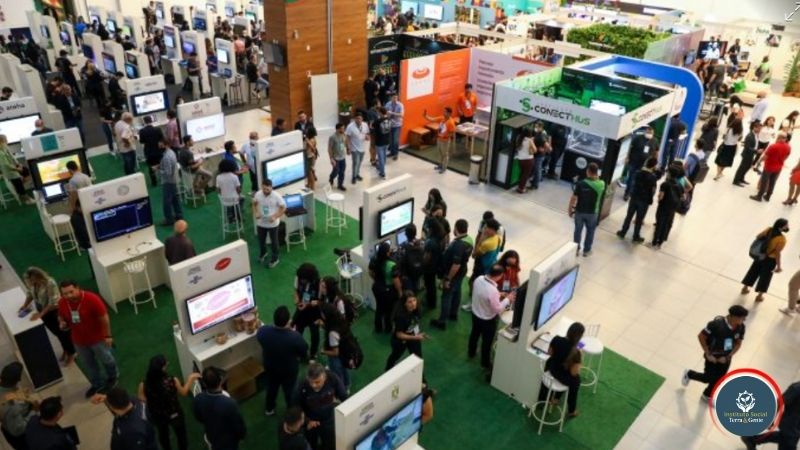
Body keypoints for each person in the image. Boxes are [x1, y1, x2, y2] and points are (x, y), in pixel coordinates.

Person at [57, 280, 117, 398]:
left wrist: (108, 336)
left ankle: (113, 377)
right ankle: (97, 383)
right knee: (89, 363)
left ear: (78, 288)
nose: (68, 296)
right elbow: (60, 315)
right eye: (65, 293)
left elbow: (104, 318)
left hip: (97, 339)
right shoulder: (62, 302)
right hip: (79, 340)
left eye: (71, 292)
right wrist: (62, 322)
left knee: (106, 359)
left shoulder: (92, 299)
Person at [682, 305, 748, 401]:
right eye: (742, 318)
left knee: (719, 379)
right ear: (734, 316)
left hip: (726, 357)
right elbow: (701, 336)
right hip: (712, 356)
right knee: (707, 378)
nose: (744, 320)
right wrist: (708, 353)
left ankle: (707, 395)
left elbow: (738, 343)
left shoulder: (741, 327)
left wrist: (728, 357)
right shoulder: (716, 324)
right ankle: (689, 374)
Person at [138, 355, 198, 450]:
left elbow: (142, 398)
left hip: (158, 415)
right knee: (181, 435)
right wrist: (191, 378)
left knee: (163, 435)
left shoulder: (143, 384)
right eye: (166, 365)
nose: (168, 364)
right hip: (174, 412)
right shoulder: (172, 380)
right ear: (162, 369)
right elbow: (183, 392)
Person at [257, 306, 308, 415]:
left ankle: (269, 409)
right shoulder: (295, 337)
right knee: (290, 391)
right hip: (288, 371)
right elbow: (304, 350)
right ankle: (291, 411)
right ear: (288, 321)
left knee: (271, 388)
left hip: (271, 368)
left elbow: (260, 336)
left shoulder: (263, 331)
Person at [18, 267, 75, 365]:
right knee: (57, 334)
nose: (28, 282)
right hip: (44, 312)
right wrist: (24, 305)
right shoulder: (33, 284)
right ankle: (66, 350)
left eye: (29, 280)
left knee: (63, 334)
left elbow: (53, 302)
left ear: (36, 277)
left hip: (54, 312)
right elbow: (30, 294)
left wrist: (40, 314)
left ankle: (72, 353)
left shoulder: (50, 283)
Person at [469, 264, 515, 370]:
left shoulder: (479, 279)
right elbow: (498, 309)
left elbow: (482, 293)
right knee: (487, 342)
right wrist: (507, 299)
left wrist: (499, 294)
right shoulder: (492, 290)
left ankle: (471, 352)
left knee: (474, 334)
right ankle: (485, 363)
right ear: (499, 275)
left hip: (475, 314)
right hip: (487, 320)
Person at [292, 362, 347, 450]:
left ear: (324, 377)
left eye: (317, 382)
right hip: (311, 422)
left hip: (328, 419)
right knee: (311, 444)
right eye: (311, 382)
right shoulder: (302, 385)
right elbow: (295, 407)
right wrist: (307, 421)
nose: (314, 385)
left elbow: (344, 396)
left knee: (330, 444)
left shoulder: (332, 378)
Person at [430, 219, 472, 330]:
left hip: (453, 274)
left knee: (446, 296)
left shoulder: (458, 245)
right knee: (457, 292)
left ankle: (442, 321)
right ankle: (453, 314)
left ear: (456, 228)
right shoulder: (469, 240)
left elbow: (456, 265)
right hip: (462, 271)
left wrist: (448, 278)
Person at [537, 322, 585, 418]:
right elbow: (574, 372)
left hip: (552, 368)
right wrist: (580, 360)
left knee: (570, 378)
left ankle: (555, 398)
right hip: (561, 375)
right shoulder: (576, 352)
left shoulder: (556, 339)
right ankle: (571, 410)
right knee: (576, 381)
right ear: (579, 337)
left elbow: (550, 353)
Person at [193, 367, 247, 450]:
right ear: (220, 381)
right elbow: (238, 426)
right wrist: (242, 436)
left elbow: (198, 417)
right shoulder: (229, 403)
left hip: (211, 436)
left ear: (204, 383)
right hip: (228, 442)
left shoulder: (198, 399)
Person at [741, 380, 800, 450]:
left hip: (796, 426)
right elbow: (780, 402)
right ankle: (752, 439)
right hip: (791, 423)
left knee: (784, 438)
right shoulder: (796, 388)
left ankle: (752, 439)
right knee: (788, 442)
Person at [742, 218, 788, 302]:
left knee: (753, 271)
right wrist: (779, 266)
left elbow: (758, 236)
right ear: (781, 227)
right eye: (786, 225)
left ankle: (745, 288)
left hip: (760, 255)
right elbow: (777, 253)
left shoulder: (769, 229)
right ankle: (759, 296)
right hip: (770, 260)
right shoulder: (782, 239)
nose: (788, 226)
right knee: (765, 277)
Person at [617, 157, 659, 243]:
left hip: (634, 197)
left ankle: (623, 232)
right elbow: (653, 190)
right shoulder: (653, 177)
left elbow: (633, 184)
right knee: (639, 219)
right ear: (654, 166)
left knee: (629, 216)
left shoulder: (638, 173)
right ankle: (636, 236)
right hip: (644, 200)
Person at [569, 163, 605, 257]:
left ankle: (576, 250)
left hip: (580, 211)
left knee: (577, 231)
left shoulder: (580, 183)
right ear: (597, 172)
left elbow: (573, 198)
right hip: (593, 213)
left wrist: (570, 209)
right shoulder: (601, 184)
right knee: (590, 231)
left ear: (588, 171)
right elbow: (598, 180)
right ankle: (586, 250)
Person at [386, 292, 426, 370]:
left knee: (418, 358)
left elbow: (415, 322)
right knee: (395, 355)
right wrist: (416, 337)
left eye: (414, 300)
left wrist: (418, 333)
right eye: (410, 302)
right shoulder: (400, 316)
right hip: (400, 341)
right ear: (405, 303)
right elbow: (399, 334)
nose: (413, 304)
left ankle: (421, 376)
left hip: (413, 336)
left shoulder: (416, 309)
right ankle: (388, 369)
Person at [0, 362, 35, 450]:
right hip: (19, 436)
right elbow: (19, 430)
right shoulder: (13, 405)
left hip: (6, 426)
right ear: (18, 379)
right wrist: (33, 411)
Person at [252, 178, 286, 268]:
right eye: (263, 189)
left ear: (271, 187)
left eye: (267, 189)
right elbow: (254, 204)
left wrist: (275, 216)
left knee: (274, 242)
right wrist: (256, 212)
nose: (265, 191)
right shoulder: (258, 194)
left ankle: (275, 258)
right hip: (261, 222)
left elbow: (283, 208)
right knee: (261, 241)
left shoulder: (277, 196)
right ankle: (263, 253)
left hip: (272, 224)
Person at [369, 241, 401, 333]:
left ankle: (378, 328)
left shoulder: (373, 259)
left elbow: (370, 272)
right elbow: (396, 281)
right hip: (388, 291)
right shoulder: (392, 264)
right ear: (387, 253)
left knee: (379, 308)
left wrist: (376, 280)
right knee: (388, 311)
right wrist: (400, 292)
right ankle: (388, 328)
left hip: (376, 288)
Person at [319, 304, 352, 391]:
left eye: (322, 313)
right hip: (345, 352)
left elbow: (335, 352)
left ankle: (342, 390)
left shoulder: (332, 333)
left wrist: (323, 351)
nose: (321, 314)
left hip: (336, 358)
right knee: (345, 369)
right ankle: (347, 385)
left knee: (338, 375)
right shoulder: (341, 321)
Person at [751, 132, 791, 202]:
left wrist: (759, 161)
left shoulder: (773, 146)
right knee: (772, 182)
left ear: (779, 137)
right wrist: (781, 161)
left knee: (764, 181)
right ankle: (768, 196)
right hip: (778, 167)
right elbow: (787, 156)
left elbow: (765, 156)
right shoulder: (788, 147)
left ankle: (759, 196)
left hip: (769, 167)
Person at [292, 263, 322, 359]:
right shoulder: (298, 277)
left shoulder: (319, 283)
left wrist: (308, 304)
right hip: (301, 308)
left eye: (303, 279)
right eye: (300, 278)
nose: (301, 281)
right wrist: (297, 299)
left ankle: (313, 354)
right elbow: (296, 290)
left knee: (315, 334)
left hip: (314, 312)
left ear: (310, 278)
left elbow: (320, 301)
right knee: (298, 331)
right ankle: (299, 351)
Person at [651, 166, 684, 249]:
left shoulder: (665, 184)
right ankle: (660, 243)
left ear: (669, 174)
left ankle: (654, 242)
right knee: (666, 225)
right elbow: (682, 197)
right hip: (672, 208)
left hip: (663, 207)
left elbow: (661, 196)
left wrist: (659, 199)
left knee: (659, 224)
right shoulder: (680, 185)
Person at [624, 126, 658, 200]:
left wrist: (655, 162)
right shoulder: (638, 138)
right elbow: (630, 147)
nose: (649, 134)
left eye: (651, 133)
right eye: (648, 132)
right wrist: (627, 157)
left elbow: (656, 151)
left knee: (639, 180)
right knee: (631, 178)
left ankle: (633, 193)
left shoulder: (655, 141)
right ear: (645, 132)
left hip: (645, 164)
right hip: (634, 161)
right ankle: (627, 193)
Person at [0, 135, 34, 205]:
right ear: (1, 142)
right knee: (17, 180)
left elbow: (12, 157)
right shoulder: (0, 153)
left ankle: (19, 187)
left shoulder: (5, 148)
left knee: (26, 170)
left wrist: (19, 164)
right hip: (9, 171)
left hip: (13, 167)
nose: (7, 141)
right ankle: (26, 199)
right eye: (5, 140)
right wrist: (17, 169)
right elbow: (7, 165)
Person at [423, 107, 456, 174]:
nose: (444, 113)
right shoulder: (442, 118)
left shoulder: (451, 122)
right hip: (439, 139)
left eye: (445, 112)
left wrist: (445, 136)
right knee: (440, 154)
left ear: (449, 113)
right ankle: (440, 165)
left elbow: (452, 133)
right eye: (444, 111)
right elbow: (432, 119)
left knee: (445, 155)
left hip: (445, 141)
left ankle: (444, 168)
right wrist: (425, 116)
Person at [159, 140, 183, 225]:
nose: (160, 147)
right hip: (174, 179)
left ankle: (169, 219)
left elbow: (168, 173)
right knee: (175, 199)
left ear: (166, 145)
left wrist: (159, 170)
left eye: (161, 146)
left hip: (168, 182)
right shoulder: (172, 152)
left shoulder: (166, 157)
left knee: (167, 202)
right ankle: (179, 215)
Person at [733, 121, 762, 186]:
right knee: (742, 168)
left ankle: (741, 179)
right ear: (754, 127)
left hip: (751, 154)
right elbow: (747, 147)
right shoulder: (749, 136)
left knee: (747, 167)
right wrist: (756, 151)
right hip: (747, 154)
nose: (760, 130)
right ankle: (736, 180)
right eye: (759, 128)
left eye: (760, 129)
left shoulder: (756, 135)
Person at [139, 116, 165, 186]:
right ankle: (163, 179)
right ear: (151, 121)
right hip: (158, 150)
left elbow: (141, 141)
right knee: (161, 164)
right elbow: (162, 138)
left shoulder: (142, 131)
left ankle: (154, 182)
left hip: (148, 151)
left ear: (144, 122)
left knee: (151, 167)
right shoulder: (158, 129)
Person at [345, 114, 369, 184]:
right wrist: (348, 148)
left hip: (362, 147)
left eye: (360, 118)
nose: (359, 120)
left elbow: (367, 133)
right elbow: (347, 138)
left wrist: (367, 137)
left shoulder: (365, 125)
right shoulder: (350, 126)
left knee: (360, 162)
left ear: (362, 119)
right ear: (354, 119)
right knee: (355, 163)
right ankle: (354, 177)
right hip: (354, 148)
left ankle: (357, 174)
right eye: (357, 118)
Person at [217, 158, 243, 224]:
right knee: (242, 199)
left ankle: (230, 216)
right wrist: (239, 194)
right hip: (234, 199)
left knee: (228, 201)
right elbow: (238, 189)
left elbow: (218, 190)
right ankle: (237, 216)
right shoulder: (234, 177)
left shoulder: (218, 177)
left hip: (224, 200)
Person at [529, 121, 551, 189]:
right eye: (535, 127)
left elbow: (548, 147)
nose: (535, 128)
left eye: (537, 127)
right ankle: (534, 181)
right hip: (537, 155)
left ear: (541, 127)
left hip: (539, 156)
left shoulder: (541, 136)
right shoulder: (539, 134)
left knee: (537, 170)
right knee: (536, 170)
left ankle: (535, 185)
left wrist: (544, 150)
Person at [372, 107, 392, 179]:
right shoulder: (389, 119)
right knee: (384, 156)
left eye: (378, 112)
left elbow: (372, 126)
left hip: (379, 142)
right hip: (387, 141)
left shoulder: (378, 121)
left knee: (381, 158)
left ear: (380, 113)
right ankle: (380, 167)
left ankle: (382, 173)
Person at [327, 123, 348, 191]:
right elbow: (329, 148)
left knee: (342, 172)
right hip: (335, 158)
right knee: (336, 171)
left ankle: (340, 185)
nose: (343, 130)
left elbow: (345, 142)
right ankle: (331, 177)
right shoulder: (332, 137)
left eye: (344, 128)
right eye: (342, 128)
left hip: (343, 157)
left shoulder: (344, 135)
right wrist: (331, 158)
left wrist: (348, 148)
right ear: (337, 129)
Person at [514, 128, 535, 193]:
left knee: (522, 173)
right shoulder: (529, 140)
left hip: (520, 159)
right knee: (525, 175)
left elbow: (517, 147)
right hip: (528, 159)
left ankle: (519, 186)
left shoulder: (519, 138)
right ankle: (521, 189)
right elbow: (535, 149)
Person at [385, 94, 404, 159]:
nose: (395, 99)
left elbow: (401, 115)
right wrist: (387, 114)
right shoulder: (388, 104)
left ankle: (396, 154)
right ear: (391, 98)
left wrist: (392, 113)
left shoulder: (400, 105)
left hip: (397, 125)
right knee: (391, 140)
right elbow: (384, 112)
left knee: (395, 140)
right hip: (390, 124)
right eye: (394, 98)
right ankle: (392, 152)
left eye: (396, 98)